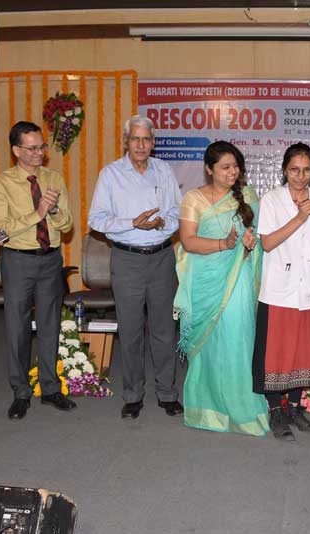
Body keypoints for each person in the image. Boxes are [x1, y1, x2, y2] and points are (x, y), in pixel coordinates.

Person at [88, 115, 183, 420]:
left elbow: (178, 212)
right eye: (135, 139)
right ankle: (132, 395)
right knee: (130, 331)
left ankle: (167, 393)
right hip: (126, 259)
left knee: (164, 330)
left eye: (146, 139)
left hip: (161, 258)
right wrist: (133, 223)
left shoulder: (164, 170)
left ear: (153, 143)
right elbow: (96, 220)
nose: (141, 145)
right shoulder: (110, 174)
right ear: (125, 142)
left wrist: (162, 223)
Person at [174, 141, 269, 436]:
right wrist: (223, 244)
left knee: (238, 339)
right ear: (209, 169)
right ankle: (207, 410)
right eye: (225, 167)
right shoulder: (193, 198)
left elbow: (257, 235)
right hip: (204, 281)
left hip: (237, 278)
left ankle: (242, 409)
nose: (232, 172)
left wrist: (250, 240)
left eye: (236, 166)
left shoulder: (248, 196)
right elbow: (188, 241)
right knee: (208, 347)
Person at [0, 121, 75, 420]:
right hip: (18, 260)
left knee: (51, 324)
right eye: (32, 148)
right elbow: (1, 229)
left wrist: (53, 211)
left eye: (41, 147)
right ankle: (21, 392)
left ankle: (51, 388)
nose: (39, 153)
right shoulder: (1, 184)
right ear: (16, 150)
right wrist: (37, 213)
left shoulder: (54, 178)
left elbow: (67, 225)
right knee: (18, 327)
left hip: (50, 259)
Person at [253, 142, 310, 441]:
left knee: (302, 352)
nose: (300, 176)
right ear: (285, 170)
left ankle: (295, 408)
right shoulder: (272, 199)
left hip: (308, 290)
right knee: (275, 355)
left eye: (306, 170)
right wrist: (299, 217)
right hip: (278, 291)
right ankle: (275, 411)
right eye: (294, 170)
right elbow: (267, 243)